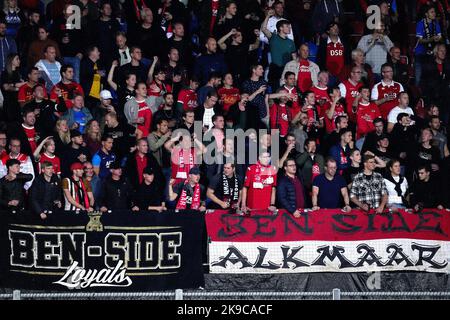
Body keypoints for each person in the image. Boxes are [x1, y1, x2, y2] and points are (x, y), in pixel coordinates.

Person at [261, 10, 295, 91]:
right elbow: (263, 28)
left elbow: (294, 58)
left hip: (287, 70)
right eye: (287, 26)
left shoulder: (291, 42)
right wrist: (267, 16)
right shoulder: (273, 38)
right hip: (275, 71)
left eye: (289, 26)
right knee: (276, 92)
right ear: (280, 28)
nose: (289, 28)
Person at [415, 5, 442, 85]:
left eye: (434, 12)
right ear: (426, 14)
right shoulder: (420, 24)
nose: (434, 14)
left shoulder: (436, 23)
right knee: (419, 78)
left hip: (431, 54)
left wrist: (438, 38)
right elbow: (419, 40)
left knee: (431, 77)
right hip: (420, 54)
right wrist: (431, 39)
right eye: (432, 12)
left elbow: (440, 37)